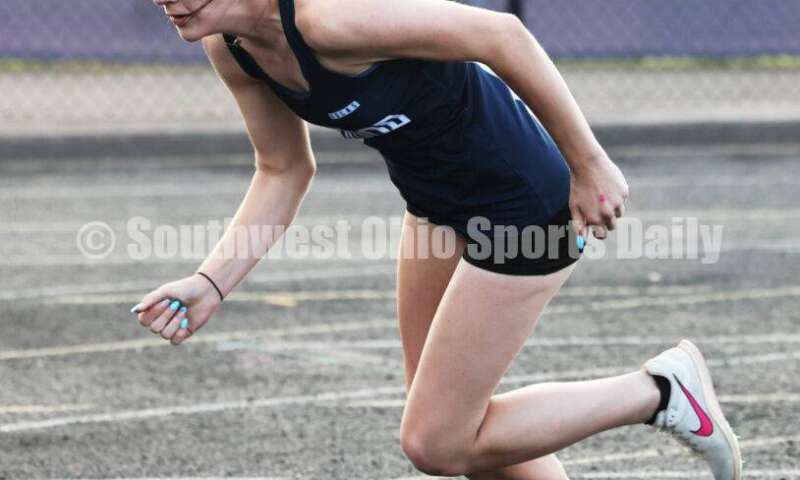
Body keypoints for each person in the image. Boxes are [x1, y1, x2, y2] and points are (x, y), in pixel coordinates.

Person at [132, 1, 742, 478]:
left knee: (436, 442)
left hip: (522, 204)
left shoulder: (330, 17)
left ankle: (660, 391)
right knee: (465, 433)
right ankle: (661, 391)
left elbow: (501, 35)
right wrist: (212, 281)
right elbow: (283, 169)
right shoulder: (232, 49)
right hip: (433, 206)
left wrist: (589, 163)